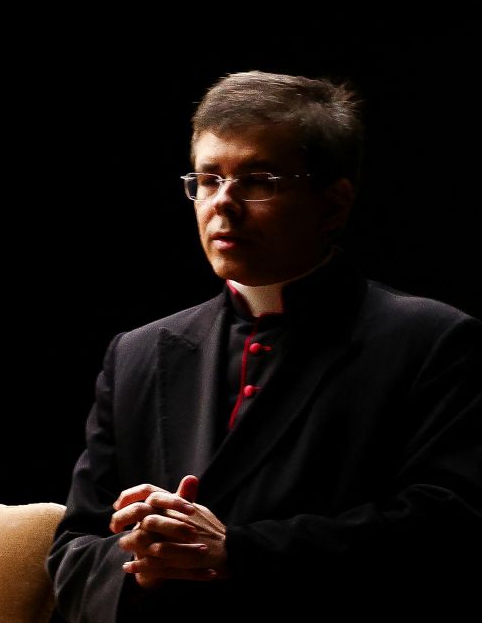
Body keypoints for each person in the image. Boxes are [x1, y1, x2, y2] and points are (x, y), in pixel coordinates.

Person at [46, 70, 481, 621]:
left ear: (334, 204)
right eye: (208, 179)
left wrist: (236, 553)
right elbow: (73, 555)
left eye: (258, 180)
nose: (222, 204)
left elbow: (450, 532)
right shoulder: (138, 353)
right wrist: (147, 560)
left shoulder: (433, 341)